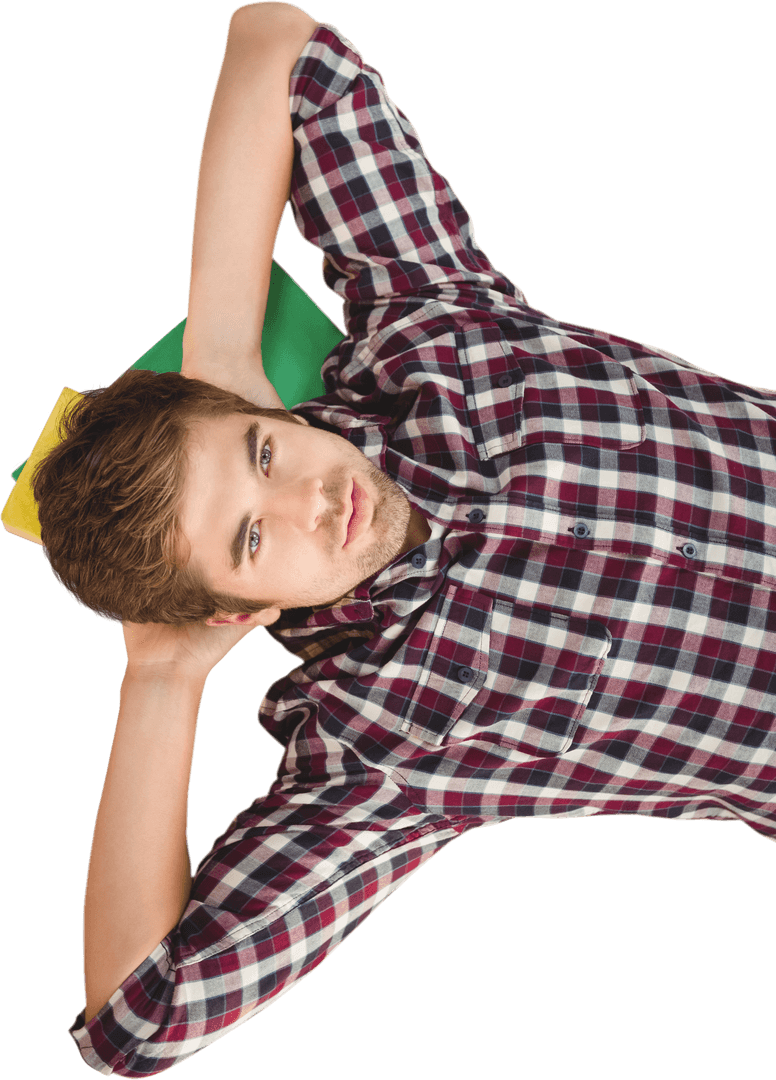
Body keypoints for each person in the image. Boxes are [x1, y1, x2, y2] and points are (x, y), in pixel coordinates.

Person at [27, 3, 774, 1075]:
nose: (304, 503)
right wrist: (160, 681)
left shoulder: (431, 331)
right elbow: (137, 1023)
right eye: (247, 542)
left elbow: (279, 43)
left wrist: (222, 347)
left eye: (262, 454)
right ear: (239, 610)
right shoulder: (380, 750)